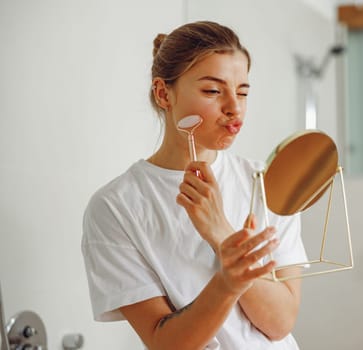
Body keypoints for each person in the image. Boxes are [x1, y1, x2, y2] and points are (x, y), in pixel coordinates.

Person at [81, 21, 307, 350]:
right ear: (163, 93)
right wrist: (228, 282)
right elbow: (165, 343)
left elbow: (280, 323)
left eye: (243, 91)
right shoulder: (117, 207)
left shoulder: (266, 182)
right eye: (213, 91)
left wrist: (222, 235)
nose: (235, 107)